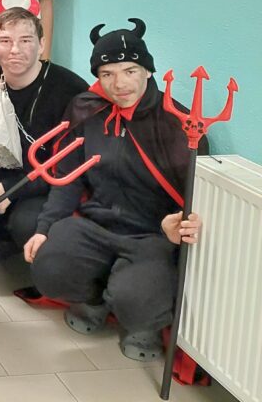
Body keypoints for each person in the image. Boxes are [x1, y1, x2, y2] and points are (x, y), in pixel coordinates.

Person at [24, 19, 203, 362]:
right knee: (48, 265)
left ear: (148, 71)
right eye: (107, 74)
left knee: (137, 300)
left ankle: (141, 317)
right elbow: (68, 178)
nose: (119, 84)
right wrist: (44, 228)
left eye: (130, 71)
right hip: (95, 225)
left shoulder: (179, 123)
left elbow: (194, 200)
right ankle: (94, 299)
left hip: (151, 235)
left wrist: (177, 223)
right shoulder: (88, 110)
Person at [0, 2, 87, 265]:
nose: (15, 50)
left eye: (26, 40)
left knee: (26, 223)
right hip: (2, 174)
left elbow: (74, 164)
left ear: (41, 45)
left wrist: (12, 190)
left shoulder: (69, 88)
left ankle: (21, 242)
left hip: (48, 182)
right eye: (5, 41)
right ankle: (0, 237)